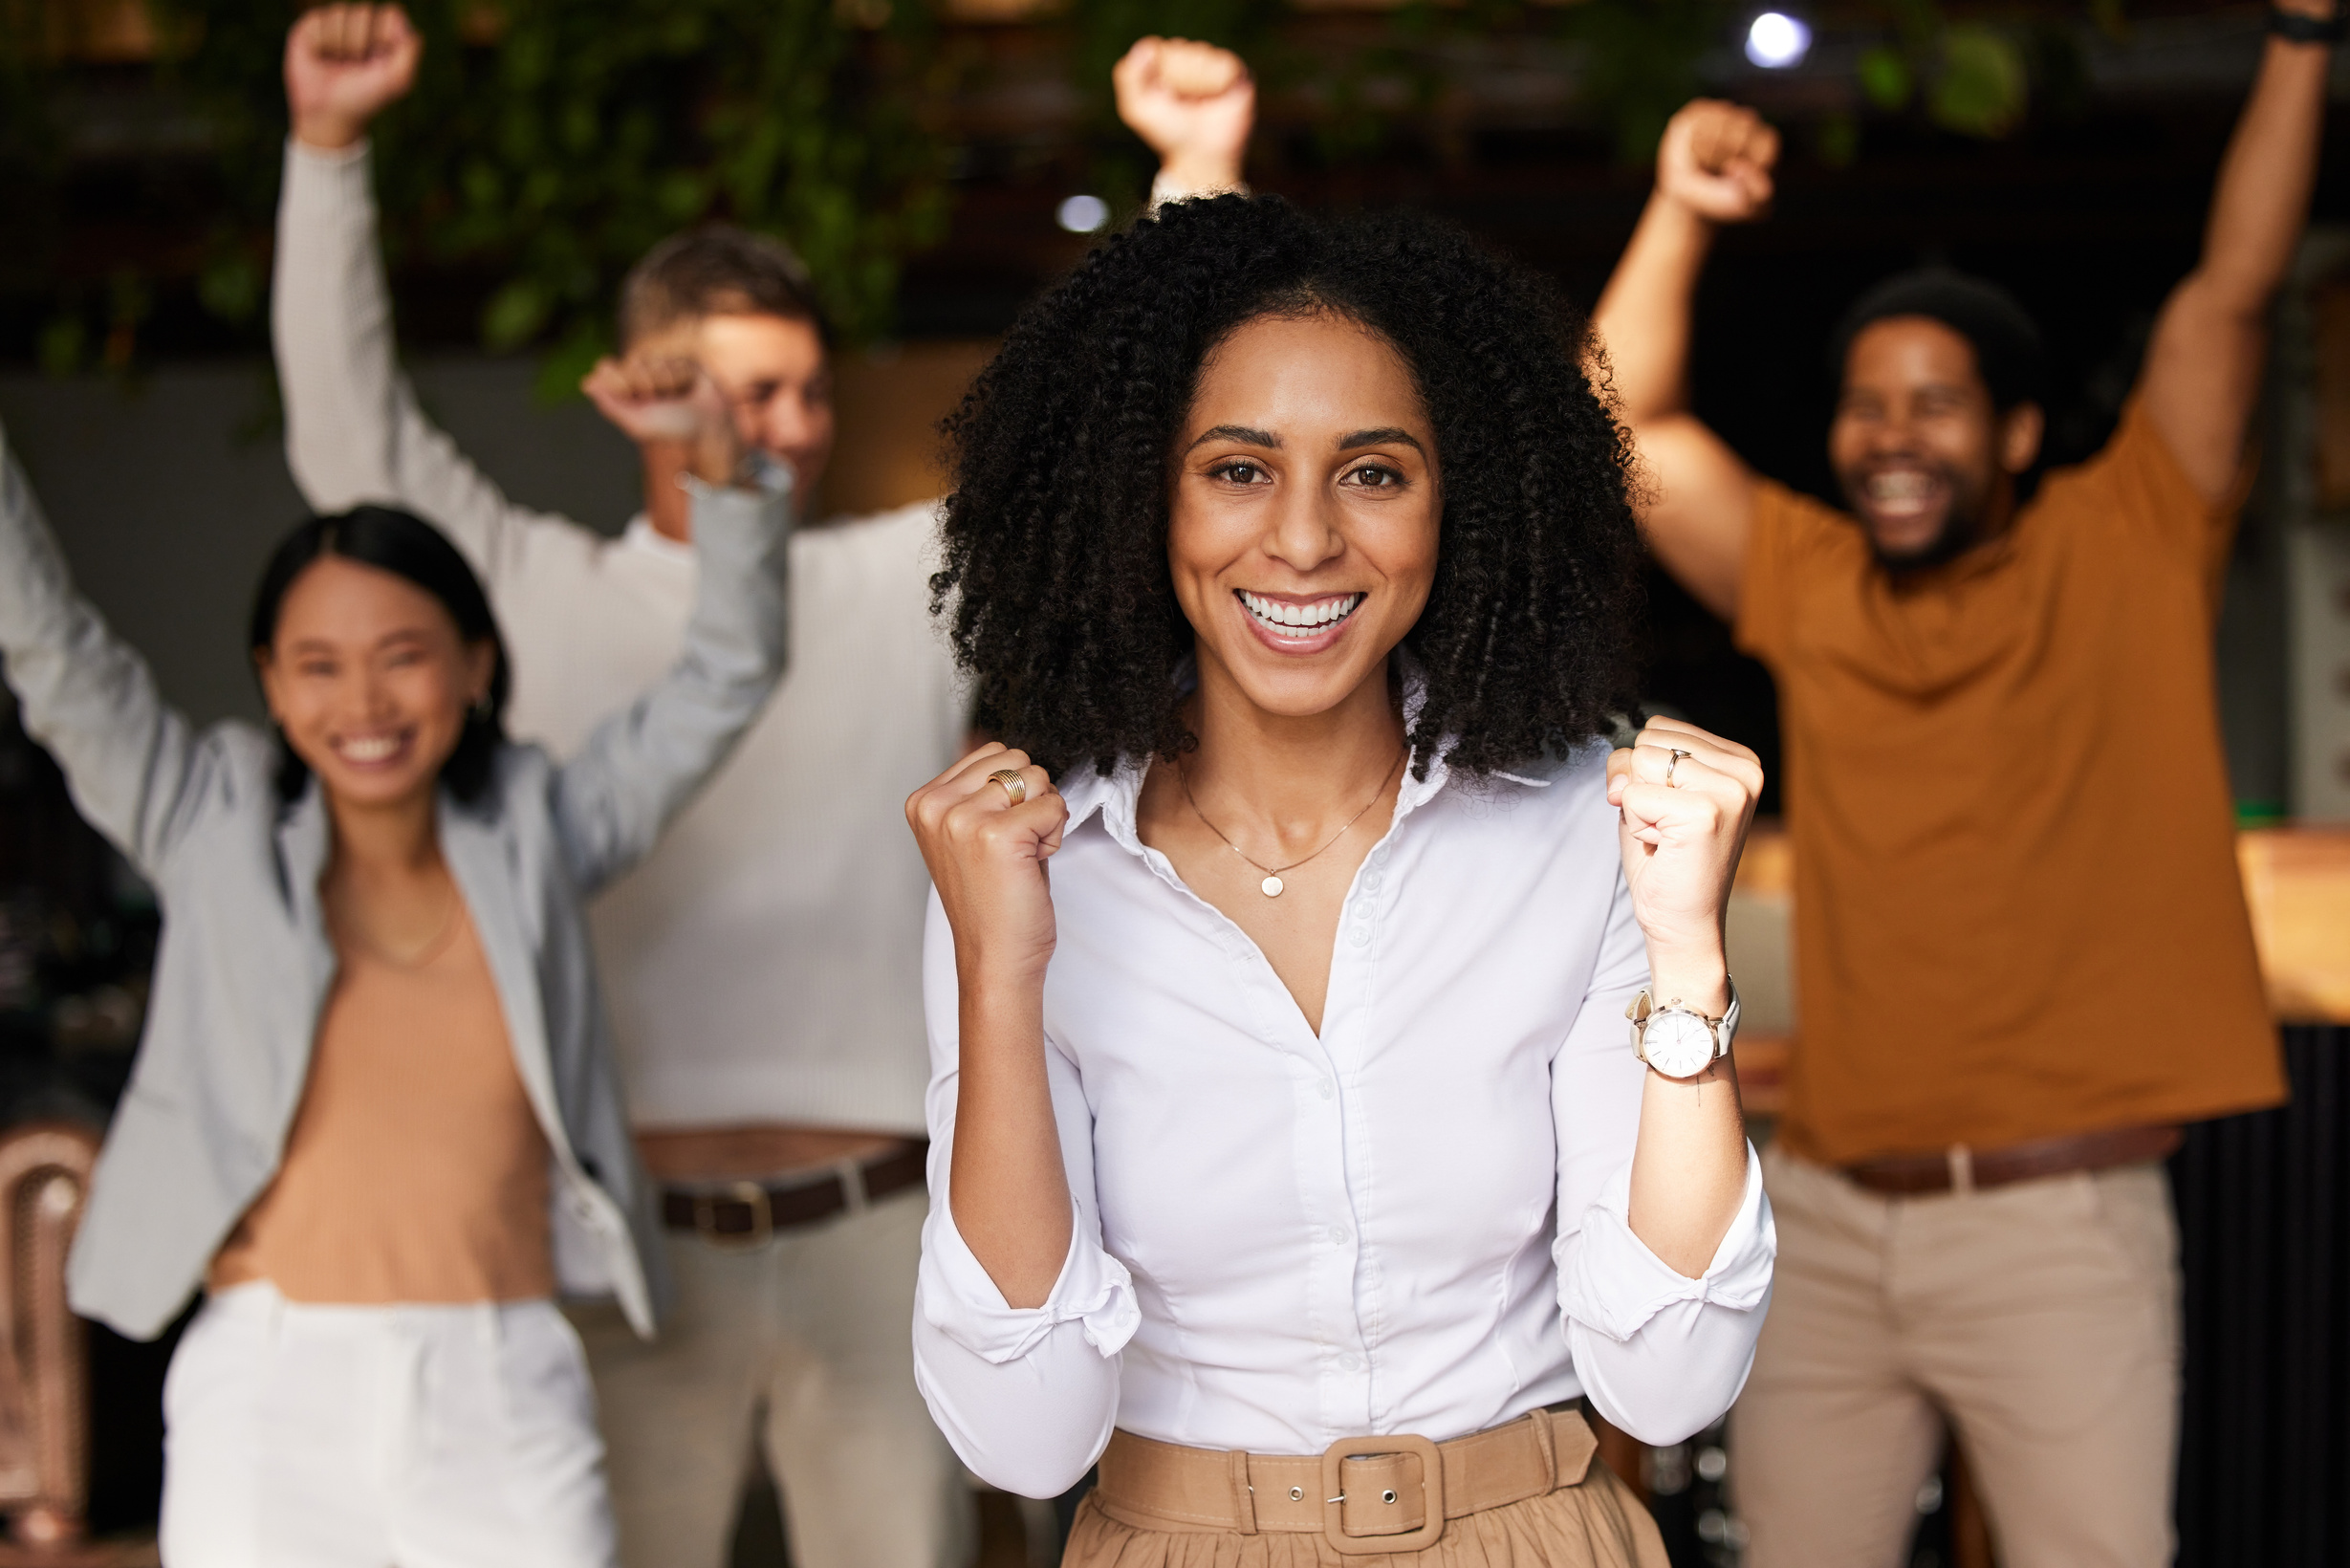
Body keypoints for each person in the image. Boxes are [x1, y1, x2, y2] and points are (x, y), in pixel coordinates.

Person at [271, 11, 1258, 1565]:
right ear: (649, 386)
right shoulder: (528, 588)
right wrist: (326, 152)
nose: (783, 430)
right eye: (742, 392)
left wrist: (1193, 169)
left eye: (803, 392)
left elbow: (1100, 439)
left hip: (879, 1231)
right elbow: (351, 443)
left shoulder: (893, 582)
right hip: (626, 1250)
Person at [905, 191, 1776, 1568]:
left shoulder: (1575, 839)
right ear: (1143, 493)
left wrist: (1687, 962)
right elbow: (1020, 1437)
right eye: (1236, 469)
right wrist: (1000, 979)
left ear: (1459, 500)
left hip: (1529, 1535)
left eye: (1372, 472)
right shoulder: (1024, 875)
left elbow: (1666, 1388)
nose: (1304, 541)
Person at [1588, 5, 2338, 1561]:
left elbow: (2232, 289)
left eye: (1931, 402)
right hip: (1831, 1221)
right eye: (1865, 403)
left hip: (2053, 1227)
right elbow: (1622, 421)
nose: (1888, 436)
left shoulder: (2126, 535)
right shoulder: (1809, 576)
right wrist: (1679, 202)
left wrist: (2296, 34)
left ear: (2009, 430)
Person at [0, 359, 785, 1566]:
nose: (362, 698)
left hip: (503, 1378)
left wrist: (725, 475)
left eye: (403, 654)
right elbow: (52, 651)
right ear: (270, 679)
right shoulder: (204, 820)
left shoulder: (541, 827)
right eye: (317, 663)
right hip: (267, 1389)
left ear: (476, 666)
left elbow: (724, 676)